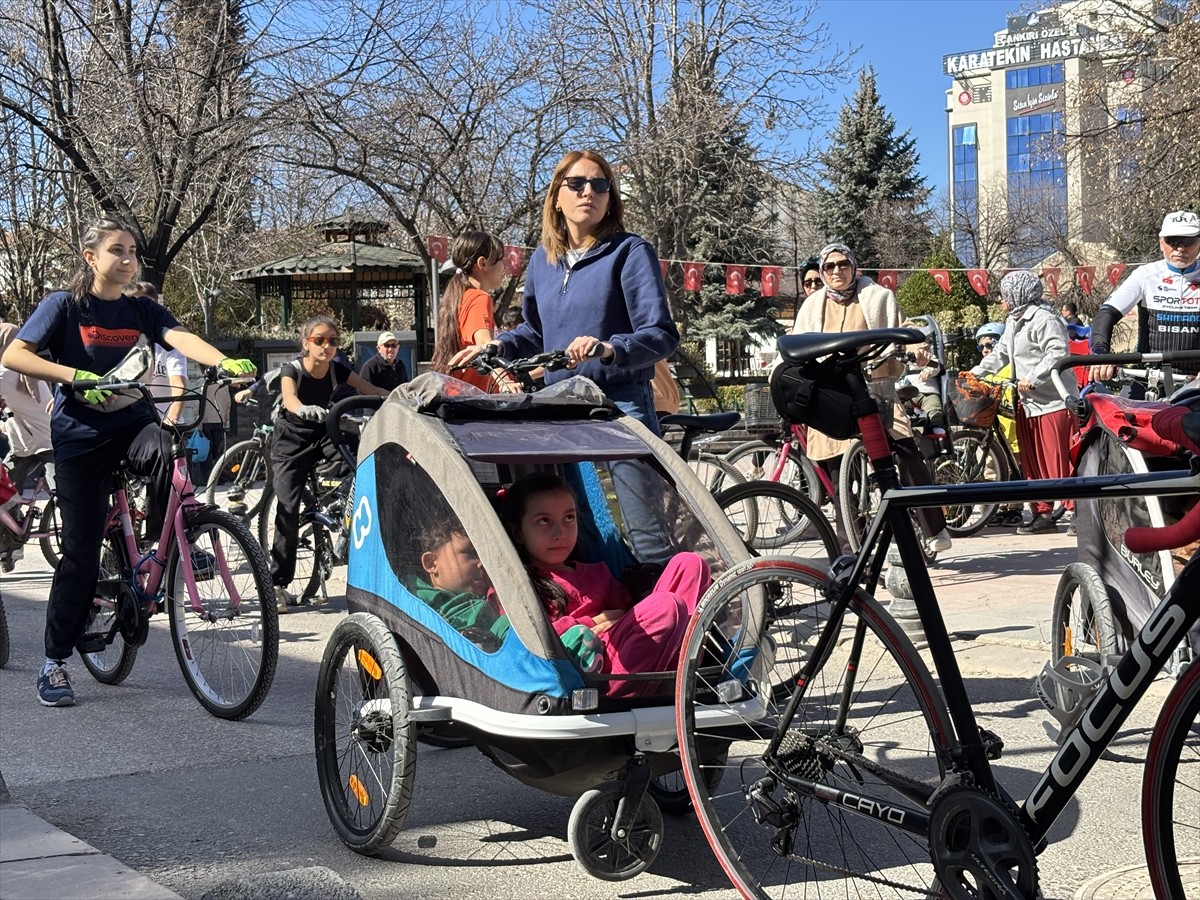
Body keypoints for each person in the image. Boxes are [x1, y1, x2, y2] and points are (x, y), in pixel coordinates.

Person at [0, 218, 256, 707]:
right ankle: (54, 662)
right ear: (91, 257)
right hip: (81, 436)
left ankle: (166, 547)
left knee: (167, 449)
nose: (127, 259)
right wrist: (75, 376)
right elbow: (16, 355)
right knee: (80, 553)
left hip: (133, 423)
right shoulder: (64, 305)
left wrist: (221, 361)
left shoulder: (141, 308)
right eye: (117, 250)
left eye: (132, 251)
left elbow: (179, 337)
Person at [449, 150, 679, 432]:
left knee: (634, 465)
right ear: (556, 198)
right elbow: (536, 332)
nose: (588, 192)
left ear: (610, 200)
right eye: (576, 183)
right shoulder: (542, 260)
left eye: (600, 185)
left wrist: (608, 348)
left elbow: (660, 334)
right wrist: (498, 345)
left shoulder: (630, 252)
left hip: (620, 402)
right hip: (559, 403)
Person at [778, 241, 952, 555]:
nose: (837, 271)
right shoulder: (812, 305)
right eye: (829, 266)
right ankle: (850, 554)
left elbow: (905, 328)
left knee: (906, 451)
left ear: (854, 266)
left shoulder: (877, 296)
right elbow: (795, 346)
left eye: (843, 264)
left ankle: (933, 527)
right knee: (839, 477)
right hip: (831, 393)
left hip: (874, 388)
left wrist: (918, 348)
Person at [500, 473, 711, 697]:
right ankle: (640, 688)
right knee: (666, 607)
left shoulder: (597, 572)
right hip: (593, 676)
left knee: (691, 564)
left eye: (569, 518)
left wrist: (621, 617)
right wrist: (593, 621)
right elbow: (523, 643)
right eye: (544, 521)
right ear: (518, 533)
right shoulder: (520, 586)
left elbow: (628, 615)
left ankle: (677, 664)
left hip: (628, 647)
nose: (560, 533)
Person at [268, 315, 388, 612]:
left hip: (322, 430)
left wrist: (402, 397)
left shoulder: (337, 369)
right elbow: (289, 398)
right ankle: (277, 584)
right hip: (291, 440)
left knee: (361, 465)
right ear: (306, 343)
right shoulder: (292, 369)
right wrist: (302, 409)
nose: (327, 346)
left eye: (333, 341)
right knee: (288, 508)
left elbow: (369, 389)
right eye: (319, 340)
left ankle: (341, 513)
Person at [971, 270, 1074, 535]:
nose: (1001, 300)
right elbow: (1001, 353)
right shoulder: (1013, 320)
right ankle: (1043, 514)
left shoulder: (1044, 319)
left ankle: (1077, 511)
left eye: (1004, 295)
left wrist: (1033, 378)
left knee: (1058, 460)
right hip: (1028, 404)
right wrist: (976, 373)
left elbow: (1058, 353)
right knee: (1033, 463)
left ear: (1019, 294)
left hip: (1053, 401)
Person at [1089, 210, 1200, 385]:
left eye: (1188, 241)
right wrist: (1101, 354)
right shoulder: (1145, 274)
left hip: (1195, 378)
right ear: (1161, 242)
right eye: (1172, 240)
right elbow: (1106, 314)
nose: (1180, 248)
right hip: (1149, 375)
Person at [414, 515, 510, 648]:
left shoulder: (496, 597)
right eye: (471, 553)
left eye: (484, 556)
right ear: (431, 563)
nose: (483, 564)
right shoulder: (419, 607)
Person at [431, 231, 507, 393]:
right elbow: (486, 348)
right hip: (476, 398)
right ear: (483, 263)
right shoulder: (479, 299)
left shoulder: (459, 296)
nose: (504, 266)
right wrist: (506, 381)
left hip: (457, 393)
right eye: (501, 259)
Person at [0, 322, 54, 492]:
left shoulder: (7, 372)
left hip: (45, 441)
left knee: (65, 496)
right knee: (6, 491)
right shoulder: (26, 366)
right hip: (25, 442)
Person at [127, 282, 187, 427]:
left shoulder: (169, 344)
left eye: (150, 307)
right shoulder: (122, 342)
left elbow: (178, 385)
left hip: (164, 423)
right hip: (132, 423)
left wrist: (171, 420)